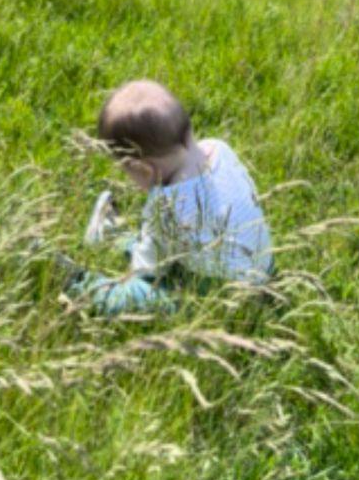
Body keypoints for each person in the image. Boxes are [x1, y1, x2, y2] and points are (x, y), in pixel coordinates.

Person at [73, 79, 272, 314]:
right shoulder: (219, 148)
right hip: (263, 268)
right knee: (173, 241)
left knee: (139, 295)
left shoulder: (167, 204)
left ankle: (80, 284)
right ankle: (112, 236)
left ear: (144, 169)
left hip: (221, 297)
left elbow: (147, 269)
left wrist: (137, 275)